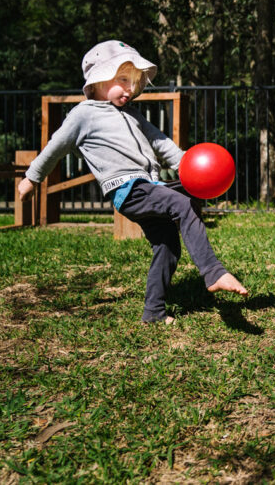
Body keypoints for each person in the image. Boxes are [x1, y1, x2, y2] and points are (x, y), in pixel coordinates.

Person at [18, 40, 248, 324]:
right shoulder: (83, 114)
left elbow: (160, 143)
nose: (130, 88)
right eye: (123, 79)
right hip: (127, 190)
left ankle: (153, 313)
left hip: (149, 186)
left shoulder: (133, 114)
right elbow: (55, 146)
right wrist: (32, 178)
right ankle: (213, 272)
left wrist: (186, 164)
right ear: (98, 79)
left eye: (135, 82)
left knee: (167, 245)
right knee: (182, 202)